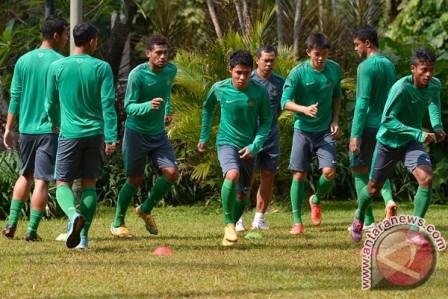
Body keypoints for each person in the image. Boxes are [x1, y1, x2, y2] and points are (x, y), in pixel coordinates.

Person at [350, 48, 446, 243]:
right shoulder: (400, 88)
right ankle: (359, 216)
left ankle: (414, 231)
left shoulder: (434, 85)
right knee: (373, 189)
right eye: (424, 70)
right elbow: (387, 121)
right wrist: (418, 133)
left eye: (431, 70)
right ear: (413, 69)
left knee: (426, 179)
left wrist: (437, 126)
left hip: (411, 143)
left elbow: (433, 103)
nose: (428, 74)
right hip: (388, 143)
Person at [46, 22, 118, 249]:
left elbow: (50, 103)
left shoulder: (57, 67)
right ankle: (83, 239)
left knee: (62, 184)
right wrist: (111, 136)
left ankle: (71, 215)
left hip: (69, 134)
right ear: (92, 41)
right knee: (89, 185)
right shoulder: (102, 68)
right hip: (95, 134)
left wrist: (54, 122)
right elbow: (108, 103)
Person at [2, 16, 69, 241]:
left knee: (25, 175)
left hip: (26, 130)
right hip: (49, 130)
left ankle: (11, 223)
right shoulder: (60, 62)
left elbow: (16, 97)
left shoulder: (23, 61)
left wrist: (8, 128)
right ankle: (31, 230)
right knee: (42, 180)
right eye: (65, 34)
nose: (67, 38)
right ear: (56, 35)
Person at [198, 50, 272, 246]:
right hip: (226, 142)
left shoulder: (259, 92)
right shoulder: (219, 88)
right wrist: (204, 137)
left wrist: (255, 146)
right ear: (230, 70)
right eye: (238, 72)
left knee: (243, 195)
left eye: (246, 73)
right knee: (231, 174)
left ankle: (230, 229)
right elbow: (207, 108)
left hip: (249, 147)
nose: (242, 77)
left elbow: (266, 121)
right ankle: (228, 223)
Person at [110, 34, 178, 238]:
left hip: (157, 134)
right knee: (135, 179)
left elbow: (167, 92)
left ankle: (145, 208)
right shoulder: (137, 75)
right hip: (135, 134)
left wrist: (168, 110)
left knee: (172, 173)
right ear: (148, 53)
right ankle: (117, 223)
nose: (163, 56)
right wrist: (148, 106)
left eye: (165, 52)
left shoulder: (171, 71)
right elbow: (128, 107)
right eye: (158, 53)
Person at [281, 32, 342, 235]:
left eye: (324, 53)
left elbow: (337, 96)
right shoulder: (297, 73)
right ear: (308, 52)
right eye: (317, 54)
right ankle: (297, 221)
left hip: (324, 130)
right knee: (299, 174)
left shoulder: (334, 69)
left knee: (329, 173)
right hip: (303, 130)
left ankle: (315, 199)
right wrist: (304, 109)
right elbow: (285, 102)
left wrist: (335, 120)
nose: (321, 58)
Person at [348, 26, 397, 233]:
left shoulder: (365, 67)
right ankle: (388, 201)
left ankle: (367, 220)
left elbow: (362, 102)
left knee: (359, 170)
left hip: (368, 125)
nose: (356, 49)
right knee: (379, 170)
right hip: (386, 126)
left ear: (368, 43)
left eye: (357, 44)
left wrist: (355, 134)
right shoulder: (388, 65)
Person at [235, 45, 284, 231]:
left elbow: (280, 107)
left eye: (272, 60)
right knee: (246, 178)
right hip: (248, 137)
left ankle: (259, 219)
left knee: (268, 175)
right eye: (266, 60)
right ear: (257, 60)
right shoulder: (247, 79)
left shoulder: (280, 82)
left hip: (270, 136)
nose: (269, 63)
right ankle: (238, 218)